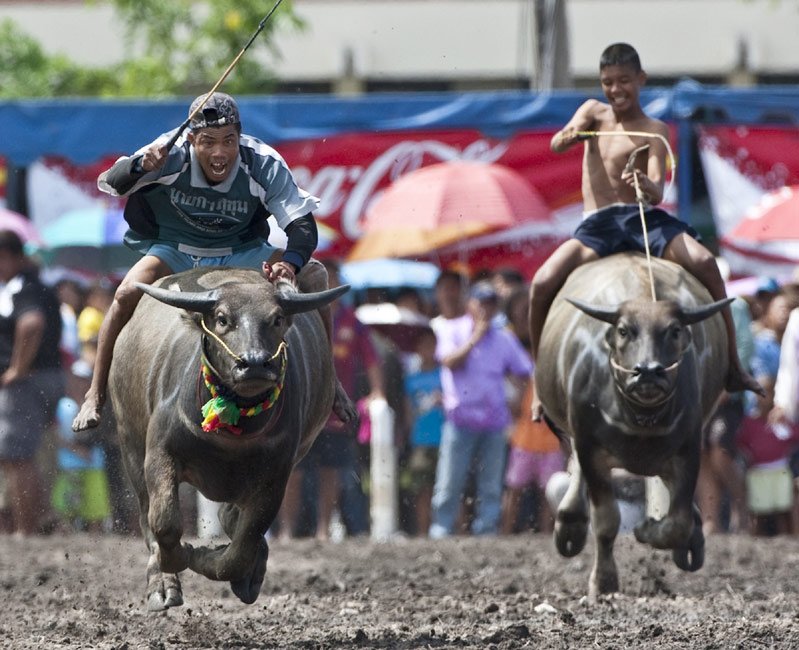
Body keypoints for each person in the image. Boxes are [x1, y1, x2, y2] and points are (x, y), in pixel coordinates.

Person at [72, 91, 355, 431]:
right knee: (124, 294)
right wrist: (140, 166)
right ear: (191, 139)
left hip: (241, 251)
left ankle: (331, 385)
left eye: (229, 141)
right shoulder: (169, 151)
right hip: (176, 248)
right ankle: (95, 394)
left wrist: (291, 264)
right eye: (208, 142)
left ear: (240, 137)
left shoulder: (261, 161)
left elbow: (303, 227)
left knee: (315, 275)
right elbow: (114, 183)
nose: (220, 153)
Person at [527, 42, 762, 420]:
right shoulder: (592, 112)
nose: (616, 89)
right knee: (542, 282)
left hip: (641, 221)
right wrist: (572, 135)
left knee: (704, 262)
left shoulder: (654, 129)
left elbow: (657, 190)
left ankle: (733, 365)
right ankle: (541, 381)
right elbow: (558, 144)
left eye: (624, 81)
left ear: (641, 80)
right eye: (608, 82)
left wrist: (644, 184)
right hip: (599, 225)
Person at [277, 259, 384, 541]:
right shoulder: (300, 315)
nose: (328, 285)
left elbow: (372, 360)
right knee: (293, 472)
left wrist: (378, 392)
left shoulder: (352, 322)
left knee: (331, 471)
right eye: (324, 280)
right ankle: (287, 529)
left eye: (332, 279)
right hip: (302, 405)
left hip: (335, 408)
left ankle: (324, 528)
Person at [428, 280, 533, 538]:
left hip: (494, 421)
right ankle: (441, 529)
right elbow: (449, 361)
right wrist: (476, 336)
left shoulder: (504, 338)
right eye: (481, 303)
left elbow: (527, 371)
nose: (486, 309)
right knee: (450, 482)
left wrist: (517, 394)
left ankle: (487, 529)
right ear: (470, 304)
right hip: (460, 419)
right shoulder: (452, 329)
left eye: (491, 304)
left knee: (490, 484)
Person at [0, 230, 64, 535]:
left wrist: (16, 368)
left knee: (17, 457)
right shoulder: (39, 286)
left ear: (9, 257)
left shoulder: (21, 288)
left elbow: (31, 324)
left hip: (29, 381)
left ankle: (27, 529)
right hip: (49, 376)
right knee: (30, 456)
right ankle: (40, 519)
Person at [402, 327, 444, 536]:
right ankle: (422, 531)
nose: (428, 349)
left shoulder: (445, 376)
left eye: (431, 344)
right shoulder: (411, 380)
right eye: (423, 345)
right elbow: (408, 412)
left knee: (447, 488)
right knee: (422, 489)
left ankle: (447, 529)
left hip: (445, 440)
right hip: (421, 440)